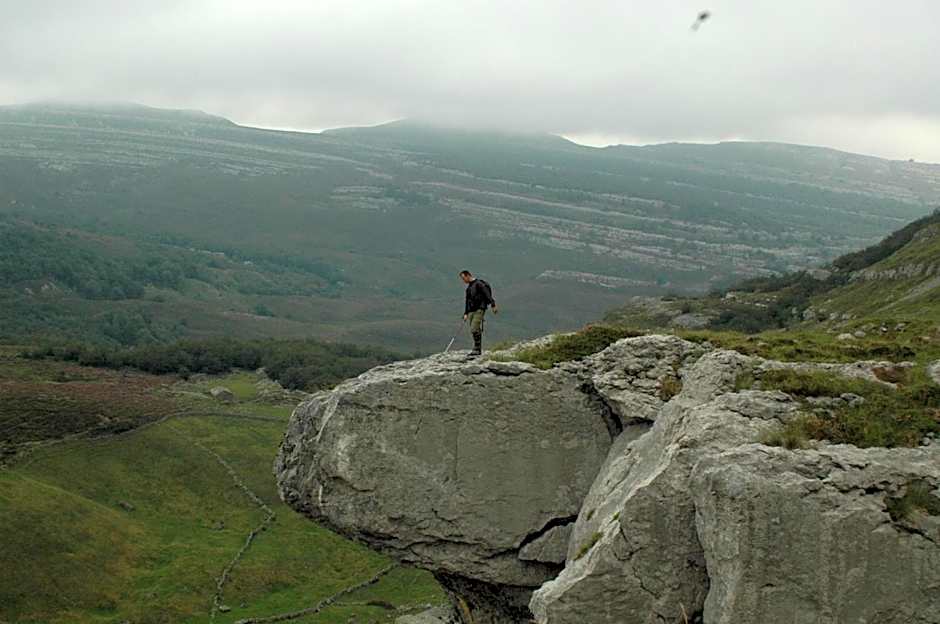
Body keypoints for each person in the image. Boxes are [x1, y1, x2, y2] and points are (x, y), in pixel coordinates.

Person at [460, 270, 497, 357]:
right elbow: (467, 301)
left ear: (468, 275)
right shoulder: (469, 288)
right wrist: (466, 313)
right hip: (471, 311)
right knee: (474, 330)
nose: (463, 281)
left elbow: (487, 294)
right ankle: (476, 349)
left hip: (480, 309)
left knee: (474, 328)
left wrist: (493, 304)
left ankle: (477, 349)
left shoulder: (479, 284)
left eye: (463, 278)